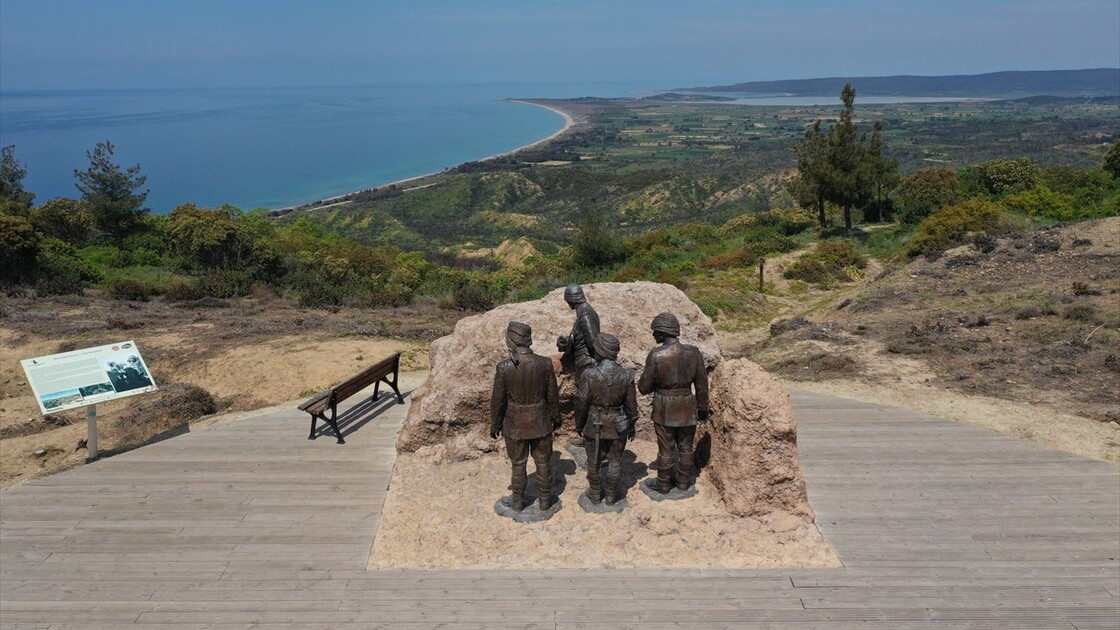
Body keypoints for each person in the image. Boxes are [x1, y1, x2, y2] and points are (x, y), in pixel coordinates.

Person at [490, 321, 562, 511]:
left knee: (518, 464)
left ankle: (517, 503)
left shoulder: (503, 367)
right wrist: (556, 417)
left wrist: (495, 424)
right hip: (541, 422)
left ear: (511, 340)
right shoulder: (545, 363)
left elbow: (498, 401)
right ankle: (545, 502)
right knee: (543, 462)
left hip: (515, 424)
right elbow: (553, 396)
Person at [638, 312, 710, 494]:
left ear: (663, 332)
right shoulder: (693, 353)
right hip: (687, 405)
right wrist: (702, 408)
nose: (653, 335)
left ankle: (663, 483)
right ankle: (683, 482)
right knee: (686, 447)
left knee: (666, 447)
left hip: (664, 407)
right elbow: (702, 384)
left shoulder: (656, 355)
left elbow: (643, 387)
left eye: (655, 332)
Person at [574, 333, 638, 505]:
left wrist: (579, 424)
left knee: (593, 461)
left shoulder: (589, 374)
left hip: (594, 423)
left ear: (600, 350)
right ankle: (611, 497)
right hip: (618, 424)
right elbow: (632, 407)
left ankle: (595, 494)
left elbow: (581, 403)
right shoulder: (627, 374)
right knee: (615, 461)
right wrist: (631, 426)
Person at [556, 283, 600, 437]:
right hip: (583, 361)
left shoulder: (586, 314)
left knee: (585, 401)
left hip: (587, 363)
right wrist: (568, 343)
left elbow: (593, 342)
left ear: (571, 300)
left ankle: (587, 436)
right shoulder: (583, 311)